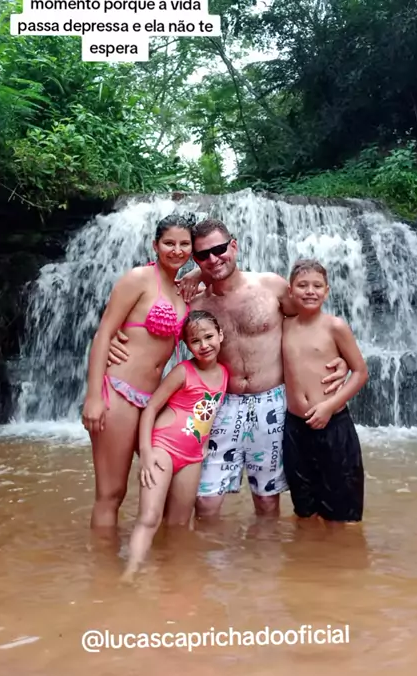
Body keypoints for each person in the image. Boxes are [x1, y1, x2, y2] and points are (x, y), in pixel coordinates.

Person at [107, 218, 349, 519]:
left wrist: (337, 356)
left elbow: (309, 320)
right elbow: (151, 325)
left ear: (233, 246)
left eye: (219, 249)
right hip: (218, 404)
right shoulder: (194, 303)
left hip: (270, 403)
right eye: (203, 255)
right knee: (206, 503)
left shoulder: (270, 286)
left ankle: (265, 553)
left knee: (267, 501)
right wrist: (113, 337)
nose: (213, 258)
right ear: (195, 259)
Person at [81, 212, 196, 535]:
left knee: (167, 487)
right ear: (155, 245)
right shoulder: (138, 279)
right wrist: (93, 397)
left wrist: (200, 271)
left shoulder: (182, 290)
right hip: (119, 391)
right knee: (111, 493)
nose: (177, 250)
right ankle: (103, 564)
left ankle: (162, 561)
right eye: (169, 243)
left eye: (184, 244)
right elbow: (104, 333)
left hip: (154, 401)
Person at [123, 310, 228, 577]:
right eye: (195, 341)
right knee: (150, 517)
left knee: (180, 523)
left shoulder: (225, 373)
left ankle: (170, 573)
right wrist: (146, 452)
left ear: (221, 335)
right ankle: (130, 574)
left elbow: (207, 414)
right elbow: (151, 408)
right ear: (186, 345)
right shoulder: (183, 371)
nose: (204, 345)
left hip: (192, 456)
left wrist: (203, 447)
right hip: (164, 448)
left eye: (209, 337)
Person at [282, 258, 368, 523]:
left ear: (327, 291)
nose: (310, 291)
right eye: (302, 285)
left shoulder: (335, 326)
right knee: (304, 509)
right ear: (290, 291)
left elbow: (360, 372)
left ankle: (342, 550)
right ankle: (312, 550)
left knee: (343, 512)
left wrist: (329, 407)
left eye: (317, 286)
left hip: (333, 426)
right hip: (295, 427)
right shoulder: (283, 326)